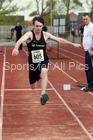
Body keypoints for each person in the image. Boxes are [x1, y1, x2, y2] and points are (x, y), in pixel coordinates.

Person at [12, 16, 81, 105]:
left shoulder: (45, 35)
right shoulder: (30, 34)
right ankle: (36, 77)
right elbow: (20, 40)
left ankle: (42, 96)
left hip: (43, 60)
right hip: (33, 63)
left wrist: (72, 44)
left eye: (40, 26)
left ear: (42, 26)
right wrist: (16, 48)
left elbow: (59, 39)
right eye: (37, 26)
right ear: (33, 25)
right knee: (33, 87)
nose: (38, 28)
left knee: (44, 72)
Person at [82, 13, 93, 91]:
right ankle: (90, 84)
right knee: (87, 68)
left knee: (90, 68)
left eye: (86, 19)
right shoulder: (85, 27)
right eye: (84, 19)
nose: (85, 20)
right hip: (87, 50)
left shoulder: (91, 27)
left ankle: (91, 85)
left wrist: (92, 49)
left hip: (90, 50)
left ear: (90, 19)